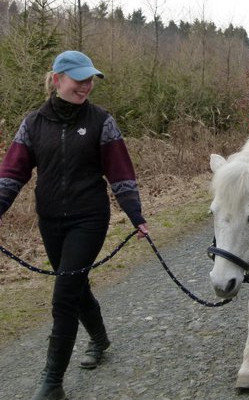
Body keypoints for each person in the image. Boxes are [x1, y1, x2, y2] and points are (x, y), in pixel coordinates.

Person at [0, 50, 149, 400]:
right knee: (75, 285)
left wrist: (136, 215)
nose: (86, 86)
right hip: (50, 220)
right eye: (78, 79)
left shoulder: (101, 121)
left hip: (89, 218)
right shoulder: (33, 123)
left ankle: (52, 384)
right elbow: (11, 173)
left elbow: (120, 172)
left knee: (63, 296)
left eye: (89, 80)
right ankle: (99, 339)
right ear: (57, 80)